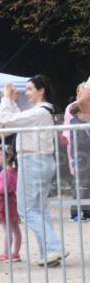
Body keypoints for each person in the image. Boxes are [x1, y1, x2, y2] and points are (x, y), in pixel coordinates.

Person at [0, 76, 67, 266]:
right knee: (39, 209)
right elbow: (17, 121)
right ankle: (48, 253)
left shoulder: (40, 112)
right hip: (40, 160)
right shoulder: (42, 112)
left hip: (33, 160)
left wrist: (5, 98)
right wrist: (11, 102)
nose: (26, 93)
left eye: (29, 89)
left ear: (41, 90)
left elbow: (7, 121)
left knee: (27, 209)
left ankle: (54, 247)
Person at [63, 80, 90, 221]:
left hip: (83, 151)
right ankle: (75, 212)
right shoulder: (74, 111)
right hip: (79, 152)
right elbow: (72, 136)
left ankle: (86, 211)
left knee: (85, 183)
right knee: (80, 183)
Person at [0, 145, 22, 262]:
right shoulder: (14, 171)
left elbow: (1, 189)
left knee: (7, 229)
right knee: (16, 228)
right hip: (13, 201)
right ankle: (16, 253)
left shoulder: (4, 173)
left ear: (8, 157)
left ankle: (6, 254)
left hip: (4, 203)